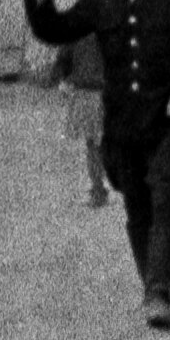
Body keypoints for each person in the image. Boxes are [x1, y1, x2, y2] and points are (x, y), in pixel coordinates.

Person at [25, 0, 170, 329]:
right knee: (137, 206)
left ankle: (159, 292)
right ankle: (151, 285)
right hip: (124, 126)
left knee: (165, 197)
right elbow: (57, 29)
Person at [51, 23, 110, 207]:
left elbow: (62, 59)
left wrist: (61, 79)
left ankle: (98, 189)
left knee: (93, 144)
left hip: (87, 91)